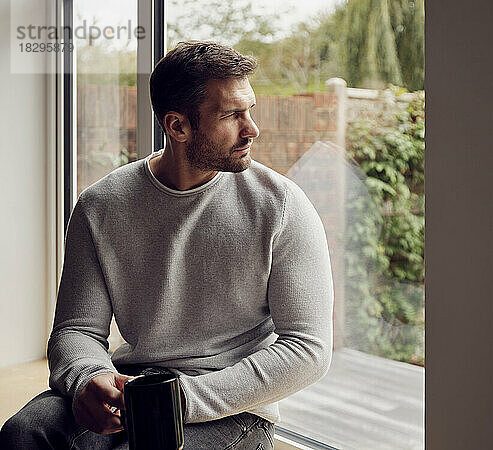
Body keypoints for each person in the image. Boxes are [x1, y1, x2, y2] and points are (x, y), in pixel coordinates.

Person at [0, 41, 334, 449]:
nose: (252, 129)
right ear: (177, 126)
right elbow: (76, 329)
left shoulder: (281, 206)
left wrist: (175, 403)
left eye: (250, 110)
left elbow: (308, 348)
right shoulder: (101, 206)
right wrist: (88, 377)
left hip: (233, 409)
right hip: (132, 384)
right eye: (232, 115)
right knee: (23, 433)